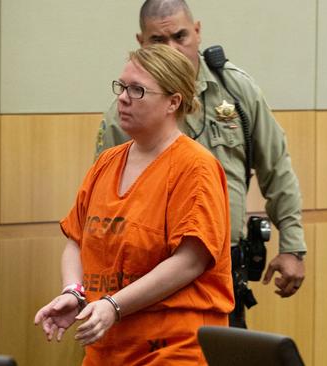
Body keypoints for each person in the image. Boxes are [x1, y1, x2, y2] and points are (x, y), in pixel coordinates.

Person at [95, 0, 306, 328]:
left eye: (180, 37)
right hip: (149, 277)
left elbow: (276, 168)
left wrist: (293, 246)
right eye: (158, 41)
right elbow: (101, 208)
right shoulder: (124, 113)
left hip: (222, 269)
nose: (173, 50)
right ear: (141, 43)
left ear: (197, 31)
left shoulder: (236, 91)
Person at [34, 44, 234, 365]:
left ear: (173, 102)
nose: (123, 98)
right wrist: (74, 291)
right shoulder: (107, 162)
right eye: (122, 87)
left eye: (138, 90)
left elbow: (190, 261)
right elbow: (77, 240)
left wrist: (114, 305)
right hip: (107, 349)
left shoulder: (195, 167)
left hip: (173, 349)